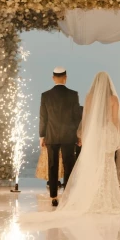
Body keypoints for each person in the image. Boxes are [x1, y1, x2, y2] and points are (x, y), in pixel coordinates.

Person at [54, 72, 120, 215]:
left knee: (93, 164)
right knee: (107, 164)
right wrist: (116, 136)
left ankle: (90, 197)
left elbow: (86, 118)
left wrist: (84, 135)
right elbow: (114, 120)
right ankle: (106, 198)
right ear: (108, 84)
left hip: (94, 135)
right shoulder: (113, 99)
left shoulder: (89, 97)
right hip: (107, 134)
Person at [39, 67, 81, 206]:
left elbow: (43, 118)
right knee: (69, 165)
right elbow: (77, 117)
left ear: (53, 78)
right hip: (68, 135)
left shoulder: (45, 95)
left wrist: (42, 136)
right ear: (65, 77)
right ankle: (67, 195)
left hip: (51, 134)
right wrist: (79, 135)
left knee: (52, 165)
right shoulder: (73, 94)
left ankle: (53, 196)